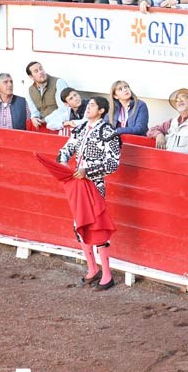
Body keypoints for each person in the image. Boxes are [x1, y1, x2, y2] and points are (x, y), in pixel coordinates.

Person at [55, 96, 121, 291]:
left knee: (97, 228)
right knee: (79, 226)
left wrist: (88, 171)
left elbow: (113, 163)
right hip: (78, 184)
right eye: (89, 104)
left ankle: (107, 275)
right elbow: (66, 149)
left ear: (101, 111)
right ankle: (93, 269)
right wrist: (62, 163)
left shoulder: (108, 132)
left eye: (92, 105)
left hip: (95, 184)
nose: (88, 107)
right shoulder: (82, 128)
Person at [146, 87, 188, 155]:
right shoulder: (171, 122)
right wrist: (159, 135)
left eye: (183, 97)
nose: (179, 100)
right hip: (167, 160)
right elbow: (151, 130)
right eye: (177, 99)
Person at [26, 61, 69, 128]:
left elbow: (64, 109)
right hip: (42, 126)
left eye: (41, 69)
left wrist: (45, 120)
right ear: (31, 77)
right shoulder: (30, 90)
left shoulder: (58, 83)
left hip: (59, 125)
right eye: (36, 71)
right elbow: (34, 111)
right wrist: (34, 117)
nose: (40, 72)